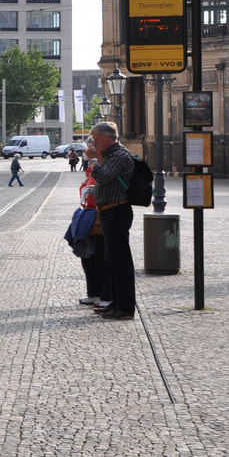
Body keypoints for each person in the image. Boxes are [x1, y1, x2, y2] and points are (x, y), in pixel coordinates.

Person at [85, 122, 136, 319]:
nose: (95, 143)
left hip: (117, 212)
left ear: (107, 137)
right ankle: (115, 301)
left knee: (121, 262)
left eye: (96, 139)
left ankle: (125, 307)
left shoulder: (119, 155)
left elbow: (104, 177)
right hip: (108, 212)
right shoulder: (109, 155)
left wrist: (93, 161)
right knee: (111, 261)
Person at [75, 162, 109, 309]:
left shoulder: (103, 167)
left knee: (100, 259)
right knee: (88, 258)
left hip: (98, 218)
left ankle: (105, 294)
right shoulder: (91, 170)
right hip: (89, 218)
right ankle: (93, 293)